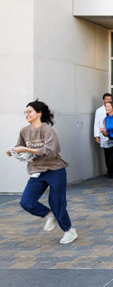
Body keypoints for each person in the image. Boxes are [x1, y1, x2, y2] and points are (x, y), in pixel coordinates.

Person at [7, 100, 77, 245]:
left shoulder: (47, 130)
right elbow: (19, 147)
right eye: (25, 112)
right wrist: (13, 151)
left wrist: (26, 149)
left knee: (57, 202)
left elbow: (51, 151)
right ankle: (49, 215)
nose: (27, 114)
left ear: (39, 113)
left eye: (29, 111)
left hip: (55, 170)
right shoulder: (24, 131)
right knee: (26, 202)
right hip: (37, 171)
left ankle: (69, 231)